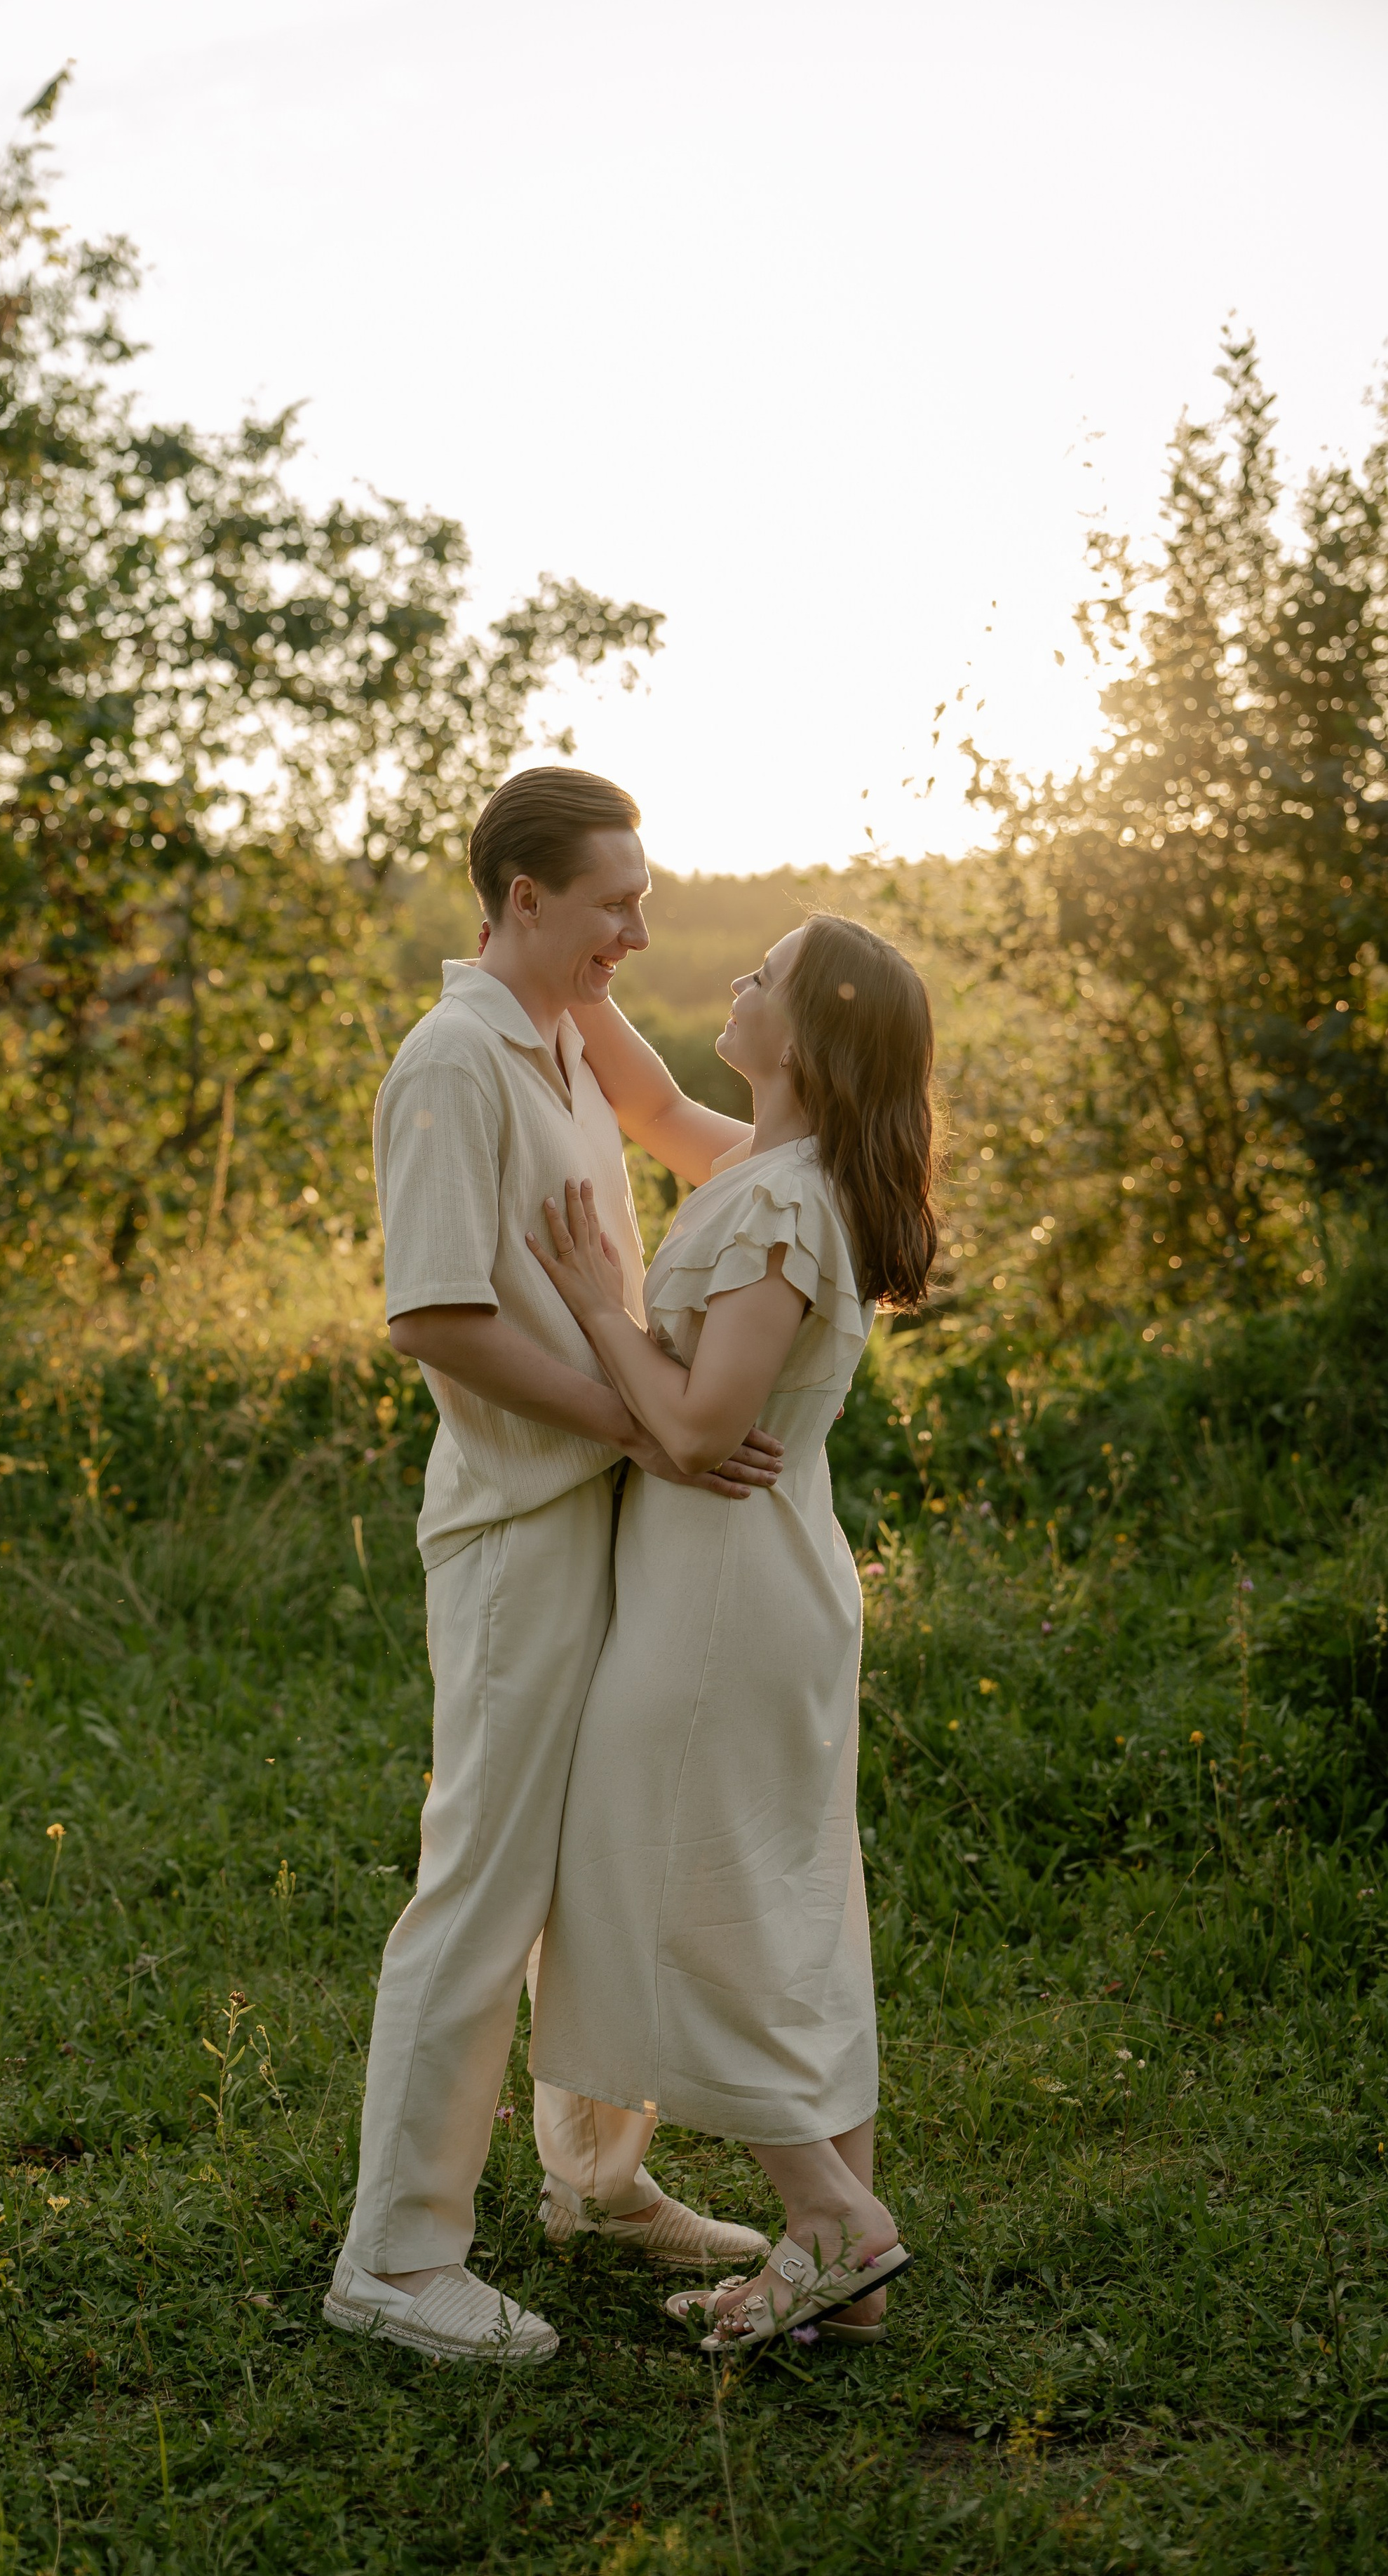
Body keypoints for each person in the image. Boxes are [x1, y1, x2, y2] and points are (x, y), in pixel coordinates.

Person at [323, 769, 783, 2366]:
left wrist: (841, 1170)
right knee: (484, 1882)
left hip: (610, 1498)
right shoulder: (452, 1061)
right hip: (521, 1529)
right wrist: (642, 1422)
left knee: (604, 1857)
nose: (637, 933)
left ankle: (594, 2176)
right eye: (611, 905)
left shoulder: (571, 1032)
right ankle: (394, 2257)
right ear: (523, 899)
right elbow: (435, 1318)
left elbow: (691, 1131)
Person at [526, 911, 938, 2353]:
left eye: (760, 977)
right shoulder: (764, 1169)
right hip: (751, 1581)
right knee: (775, 1906)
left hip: (721, 1600)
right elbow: (640, 1098)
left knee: (676, 1896)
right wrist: (555, 964)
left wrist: (594, 1302)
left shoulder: (779, 1208)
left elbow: (702, 1425)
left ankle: (828, 2219)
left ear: (809, 1035)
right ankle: (847, 2282)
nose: (735, 982)